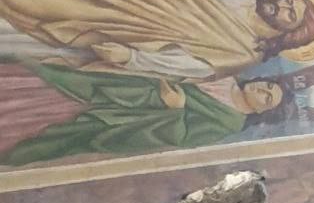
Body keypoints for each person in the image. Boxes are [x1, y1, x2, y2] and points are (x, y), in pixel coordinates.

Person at [0, 0, 314, 80]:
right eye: (288, 1)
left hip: (127, 30)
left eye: (290, 14)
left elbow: (185, 65)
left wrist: (131, 58)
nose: (281, 6)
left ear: (289, 35)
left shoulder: (241, 53)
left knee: (41, 4)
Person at [2, 67, 285, 164]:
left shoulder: (228, 123)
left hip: (137, 113)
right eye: (268, 85)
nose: (263, 89)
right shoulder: (228, 75)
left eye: (267, 97)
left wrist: (176, 108)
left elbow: (181, 138)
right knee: (59, 80)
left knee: (65, 122)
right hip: (133, 82)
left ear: (262, 111)